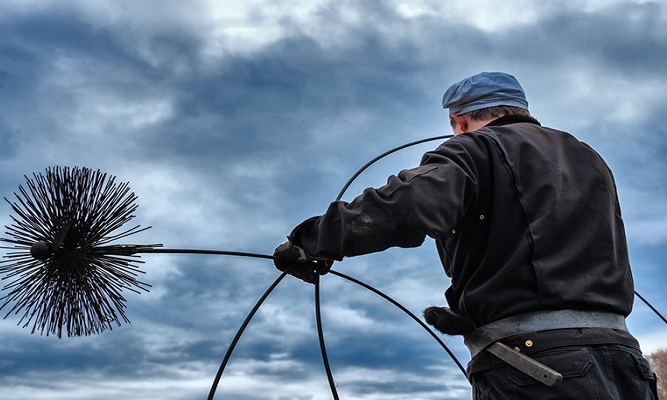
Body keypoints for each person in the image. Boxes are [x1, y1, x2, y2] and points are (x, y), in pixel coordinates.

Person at [273, 72, 659, 399]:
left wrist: (309, 242)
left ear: (458, 120)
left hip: (538, 368)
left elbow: (405, 206)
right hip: (626, 364)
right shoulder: (588, 157)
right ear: (521, 109)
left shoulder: (473, 148)